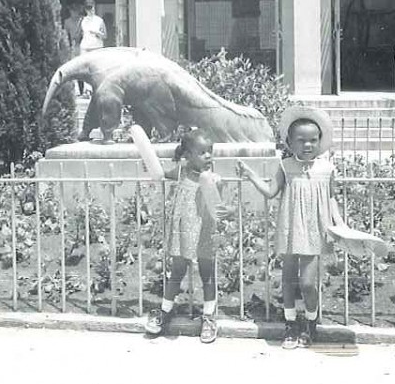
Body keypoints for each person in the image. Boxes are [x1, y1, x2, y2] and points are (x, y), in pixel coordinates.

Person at [237, 106, 339, 350]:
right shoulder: (285, 166)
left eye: (313, 140)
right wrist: (251, 175)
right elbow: (271, 191)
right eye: (301, 140)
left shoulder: (326, 169)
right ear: (290, 142)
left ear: (320, 141)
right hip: (290, 228)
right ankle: (291, 324)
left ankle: (311, 321)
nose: (307, 145)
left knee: (307, 283)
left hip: (314, 230)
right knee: (288, 280)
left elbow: (332, 199)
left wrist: (339, 224)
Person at [145, 129, 234, 343]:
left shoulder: (213, 179)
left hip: (204, 230)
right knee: (176, 271)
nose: (208, 156)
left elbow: (220, 207)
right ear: (187, 155)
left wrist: (228, 210)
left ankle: (209, 316)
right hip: (182, 230)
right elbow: (160, 174)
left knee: (207, 274)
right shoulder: (180, 172)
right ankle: (165, 311)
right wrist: (149, 164)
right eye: (202, 152)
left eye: (210, 151)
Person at [79, 0, 107, 95]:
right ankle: (87, 89)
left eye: (91, 8)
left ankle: (98, 88)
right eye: (88, 8)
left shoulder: (99, 20)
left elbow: (105, 35)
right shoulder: (82, 20)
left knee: (97, 69)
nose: (90, 10)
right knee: (86, 69)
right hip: (85, 47)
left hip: (97, 47)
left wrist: (97, 33)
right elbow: (78, 34)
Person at [63, 3, 83, 94]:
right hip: (73, 47)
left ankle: (83, 90)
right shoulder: (67, 22)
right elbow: (65, 35)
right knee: (73, 69)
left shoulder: (82, 20)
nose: (74, 13)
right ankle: (74, 90)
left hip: (82, 46)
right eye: (72, 11)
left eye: (75, 11)